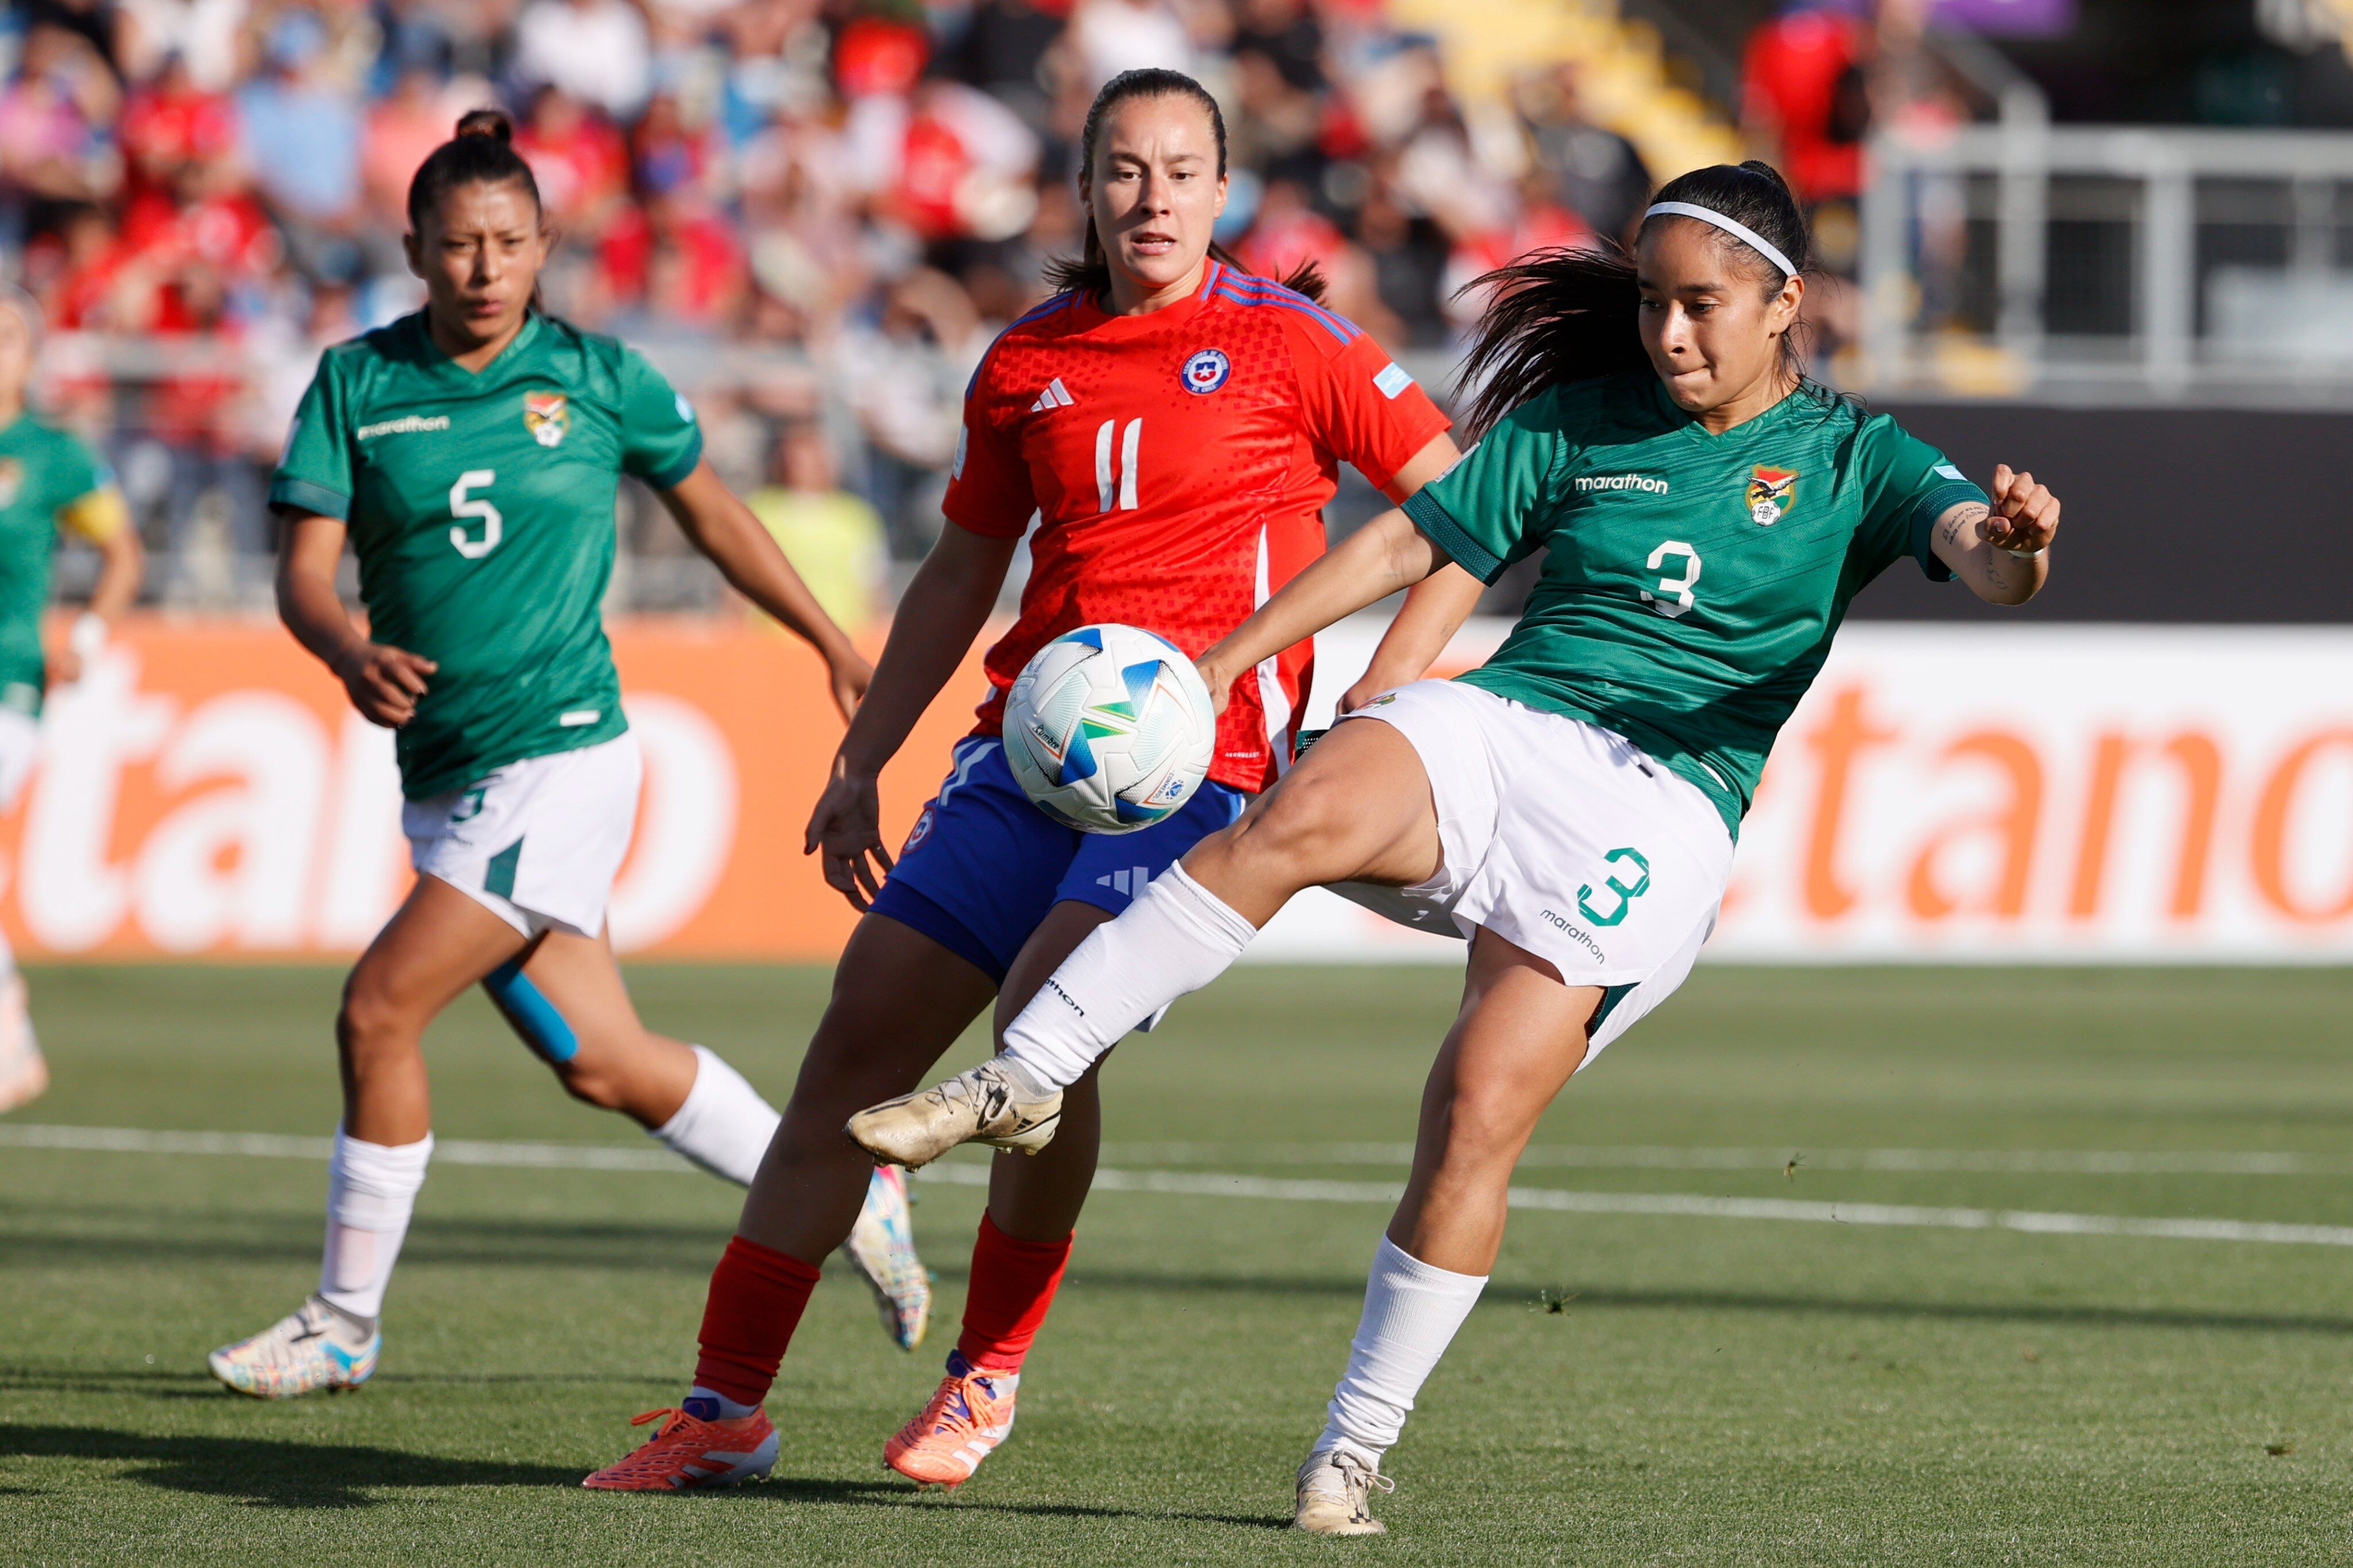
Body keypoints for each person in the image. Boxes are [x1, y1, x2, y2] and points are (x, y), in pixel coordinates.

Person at [849, 160, 2065, 1534]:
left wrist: (2014, 544)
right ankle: (1025, 1073)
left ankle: (1347, 1458)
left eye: (1701, 308)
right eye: (1655, 304)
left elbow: (1978, 551)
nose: (1667, 334)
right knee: (1294, 815)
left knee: (1474, 1114)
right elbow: (1401, 552)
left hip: (1661, 806)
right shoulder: (1575, 422)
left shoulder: (1860, 457)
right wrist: (1213, 669)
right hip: (1508, 724)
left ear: (1784, 305)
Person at [584, 67, 1478, 1493]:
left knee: (1039, 1030)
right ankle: (723, 1407)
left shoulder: (1291, 344)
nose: (1154, 198)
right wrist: (863, 754)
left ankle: (984, 1375)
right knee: (853, 1046)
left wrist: (1382, 686)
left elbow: (1461, 512)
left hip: (1205, 765)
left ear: (1224, 186)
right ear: (1083, 186)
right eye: (1125, 169)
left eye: (1183, 170)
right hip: (1022, 752)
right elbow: (958, 568)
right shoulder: (1021, 362)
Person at [205, 110, 928, 1400]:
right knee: (601, 1060)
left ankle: (342, 1323)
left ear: (544, 243)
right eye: (457, 245)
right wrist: (342, 647)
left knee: (378, 1009)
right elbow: (301, 577)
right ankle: (851, 1190)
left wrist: (825, 636)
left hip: (563, 760)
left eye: (507, 242)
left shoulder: (598, 379)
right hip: (448, 773)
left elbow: (712, 514)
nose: (484, 268)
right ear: (414, 250)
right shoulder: (356, 385)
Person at [0, 285, 144, 1114]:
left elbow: (121, 552)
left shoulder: (51, 453)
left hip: (11, 684)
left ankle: (9, 1029)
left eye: (11, 334)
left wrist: (86, 636)